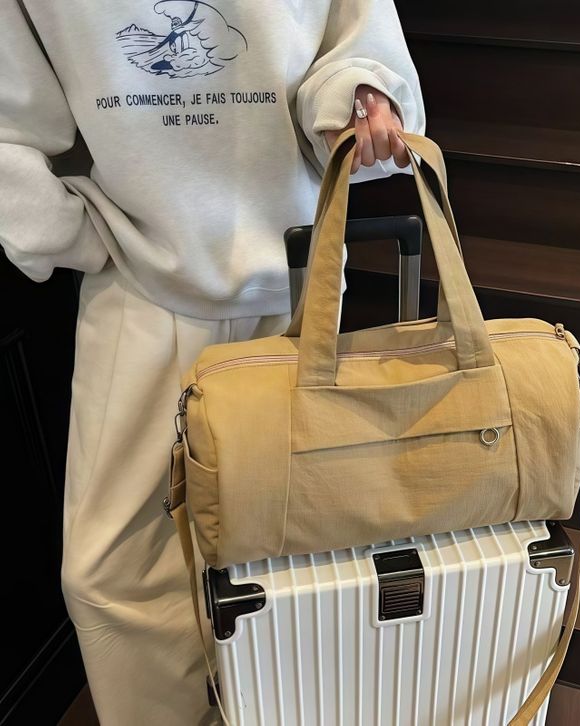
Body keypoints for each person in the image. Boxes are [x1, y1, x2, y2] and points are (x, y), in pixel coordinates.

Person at [0, 1, 425, 723]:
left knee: (293, 545)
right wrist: (72, 237)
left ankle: (277, 707)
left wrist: (356, 99)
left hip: (296, 274)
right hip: (142, 282)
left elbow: (353, 42)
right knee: (111, 570)